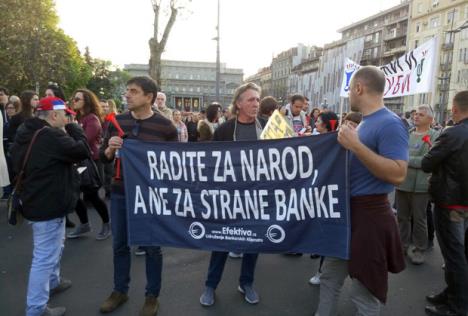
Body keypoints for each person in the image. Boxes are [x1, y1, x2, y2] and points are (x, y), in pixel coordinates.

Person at [316, 66, 408, 316]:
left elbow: (398, 173)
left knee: (364, 292)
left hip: (370, 218)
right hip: (348, 216)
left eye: (349, 89)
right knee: (329, 278)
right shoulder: (366, 122)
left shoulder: (391, 123)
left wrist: (356, 146)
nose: (348, 95)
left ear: (359, 88)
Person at [99, 76, 178, 316]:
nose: (127, 95)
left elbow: (175, 165)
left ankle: (152, 296)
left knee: (153, 247)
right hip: (121, 192)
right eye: (127, 90)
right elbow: (103, 158)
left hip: (150, 196)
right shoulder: (117, 121)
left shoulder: (166, 127)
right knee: (120, 244)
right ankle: (119, 290)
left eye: (133, 91)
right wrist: (111, 147)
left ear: (149, 97)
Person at [10, 96, 89, 316]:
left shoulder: (26, 131)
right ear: (54, 115)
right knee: (44, 257)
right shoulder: (51, 135)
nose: (68, 119)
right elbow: (82, 150)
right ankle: (36, 309)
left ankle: (53, 282)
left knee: (54, 248)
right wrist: (75, 129)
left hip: (37, 200)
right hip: (49, 203)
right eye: (66, 115)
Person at [199, 82, 266, 307]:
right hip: (228, 198)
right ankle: (210, 285)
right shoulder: (225, 130)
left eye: (258, 99)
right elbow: (211, 163)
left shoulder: (267, 126)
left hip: (258, 197)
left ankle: (246, 283)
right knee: (222, 241)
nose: (256, 103)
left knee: (253, 243)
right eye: (250, 100)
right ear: (238, 103)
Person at [422, 91, 468, 316]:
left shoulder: (453, 133)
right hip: (461, 203)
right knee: (459, 253)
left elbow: (427, 163)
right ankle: (452, 294)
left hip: (452, 204)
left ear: (455, 109)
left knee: (454, 254)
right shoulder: (454, 133)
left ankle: (458, 305)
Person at [395, 104, 439, 265]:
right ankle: (402, 246)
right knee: (402, 218)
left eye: (420, 115)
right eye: (415, 114)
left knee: (419, 219)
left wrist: (407, 160)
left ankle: (420, 249)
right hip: (402, 182)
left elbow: (429, 161)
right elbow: (398, 154)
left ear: (429, 119)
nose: (416, 117)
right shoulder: (408, 134)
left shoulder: (435, 136)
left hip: (421, 186)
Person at [66, 89, 110, 240]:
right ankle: (84, 224)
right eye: (74, 99)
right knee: (73, 193)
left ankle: (106, 223)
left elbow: (85, 141)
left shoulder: (92, 119)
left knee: (92, 195)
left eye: (78, 99)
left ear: (87, 101)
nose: (74, 101)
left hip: (90, 162)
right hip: (76, 161)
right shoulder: (75, 117)